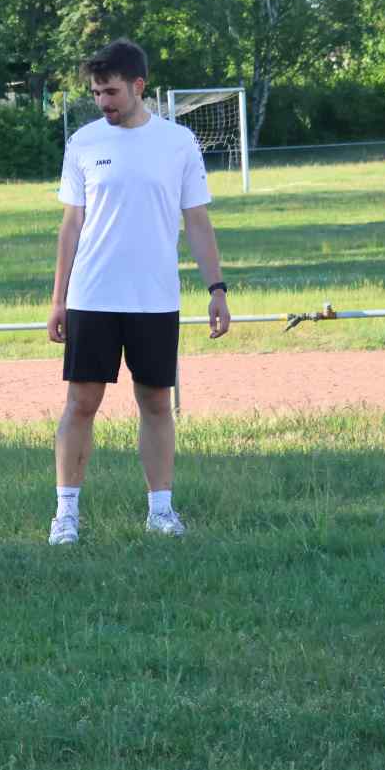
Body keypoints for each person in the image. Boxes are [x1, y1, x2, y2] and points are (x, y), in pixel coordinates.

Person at [46, 38, 231, 546]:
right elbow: (71, 226)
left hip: (155, 300)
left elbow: (197, 221)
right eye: (96, 93)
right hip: (91, 297)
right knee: (81, 403)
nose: (102, 101)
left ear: (138, 86)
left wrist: (216, 288)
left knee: (156, 401)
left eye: (110, 91)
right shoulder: (83, 143)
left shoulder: (178, 144)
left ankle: (161, 512)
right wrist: (58, 298)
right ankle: (66, 516)